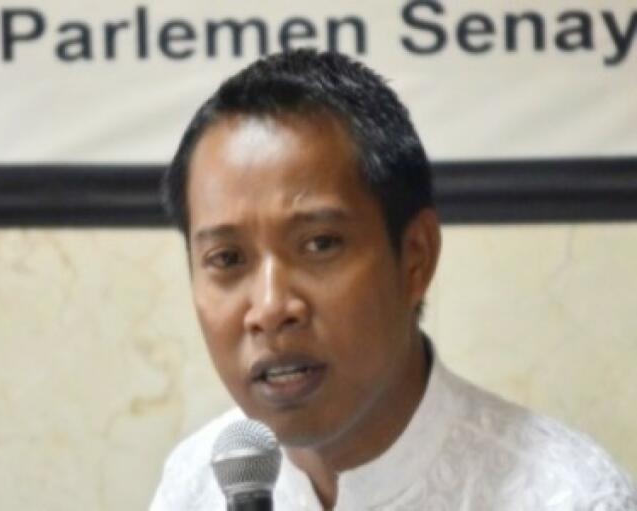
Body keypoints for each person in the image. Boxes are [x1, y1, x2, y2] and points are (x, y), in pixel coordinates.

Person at [150, 50, 636, 510]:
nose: (272, 308)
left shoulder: (568, 497)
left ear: (415, 259)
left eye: (320, 244)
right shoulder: (196, 483)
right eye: (227, 258)